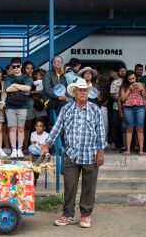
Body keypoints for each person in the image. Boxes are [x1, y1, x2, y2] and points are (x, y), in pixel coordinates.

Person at [42, 78, 106, 228]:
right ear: (74, 92)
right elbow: (57, 128)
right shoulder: (66, 109)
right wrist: (47, 144)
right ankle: (68, 215)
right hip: (71, 154)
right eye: (80, 90)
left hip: (90, 154)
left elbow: (100, 132)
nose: (83, 92)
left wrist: (100, 152)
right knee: (70, 186)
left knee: (89, 186)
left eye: (85, 90)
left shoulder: (94, 109)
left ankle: (85, 215)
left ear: (88, 92)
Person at [4, 57, 32, 158]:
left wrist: (15, 85)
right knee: (12, 128)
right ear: (11, 66)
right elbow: (7, 89)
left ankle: (19, 149)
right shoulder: (8, 77)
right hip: (10, 106)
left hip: (23, 105)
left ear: (21, 65)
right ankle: (13, 149)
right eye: (13, 66)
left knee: (21, 128)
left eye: (18, 66)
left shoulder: (27, 77)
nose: (16, 68)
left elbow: (28, 88)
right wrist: (21, 87)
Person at [120, 70, 146, 156]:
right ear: (127, 79)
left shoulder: (141, 84)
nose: (132, 80)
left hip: (140, 108)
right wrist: (128, 90)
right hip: (128, 109)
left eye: (133, 78)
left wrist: (141, 89)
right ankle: (128, 150)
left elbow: (145, 97)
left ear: (136, 77)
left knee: (140, 129)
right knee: (129, 129)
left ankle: (141, 150)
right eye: (130, 79)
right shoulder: (124, 86)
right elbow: (122, 99)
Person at [109, 65, 127, 151]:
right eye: (121, 71)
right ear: (118, 72)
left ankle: (125, 144)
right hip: (116, 107)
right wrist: (121, 99)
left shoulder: (129, 82)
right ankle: (113, 143)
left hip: (128, 107)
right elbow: (112, 94)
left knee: (125, 126)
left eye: (124, 70)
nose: (122, 72)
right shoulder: (115, 82)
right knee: (115, 126)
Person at [22, 60, 36, 153]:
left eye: (31, 68)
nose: (30, 70)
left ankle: (26, 146)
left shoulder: (34, 79)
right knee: (22, 127)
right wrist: (36, 92)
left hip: (31, 103)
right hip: (22, 103)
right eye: (28, 68)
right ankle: (22, 147)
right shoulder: (22, 78)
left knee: (28, 127)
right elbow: (25, 91)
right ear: (24, 69)